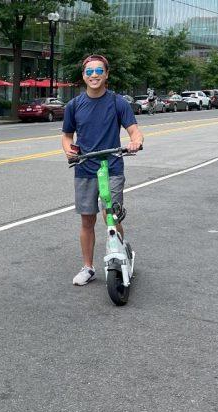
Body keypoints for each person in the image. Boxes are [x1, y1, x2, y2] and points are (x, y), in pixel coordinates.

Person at [61, 54, 144, 286]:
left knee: (112, 215)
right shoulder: (74, 105)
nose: (94, 75)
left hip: (112, 167)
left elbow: (134, 131)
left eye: (99, 71)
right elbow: (67, 136)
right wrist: (69, 150)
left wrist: (135, 141)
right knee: (87, 221)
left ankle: (120, 257)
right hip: (85, 168)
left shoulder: (118, 102)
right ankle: (88, 268)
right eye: (89, 72)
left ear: (106, 74)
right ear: (83, 76)